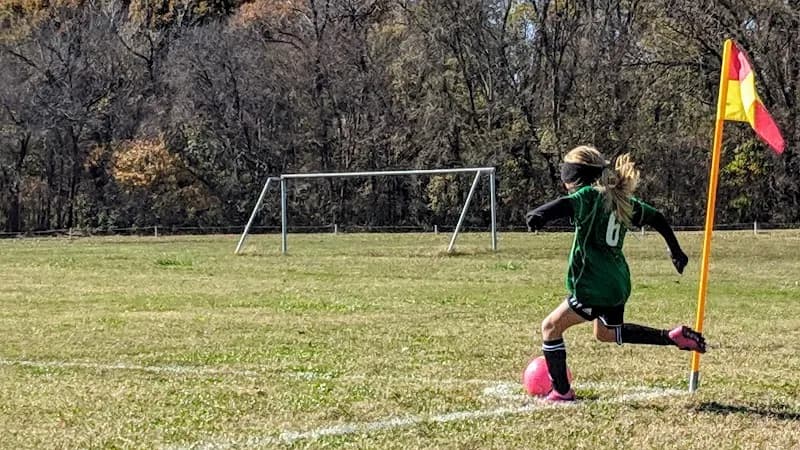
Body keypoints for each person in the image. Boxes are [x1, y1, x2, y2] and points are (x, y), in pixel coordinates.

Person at [525, 145, 706, 402]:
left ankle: (562, 392)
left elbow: (563, 205)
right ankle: (671, 337)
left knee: (551, 327)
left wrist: (538, 215)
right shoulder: (619, 199)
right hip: (618, 283)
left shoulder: (588, 196)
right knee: (606, 333)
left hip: (593, 285)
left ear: (575, 175)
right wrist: (675, 251)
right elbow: (657, 217)